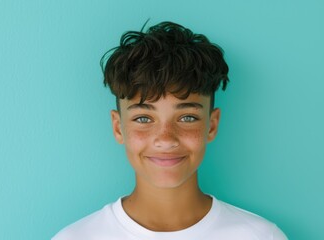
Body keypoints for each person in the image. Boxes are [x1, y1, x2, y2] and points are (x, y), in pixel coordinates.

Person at [52, 21, 287, 240]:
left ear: (212, 125)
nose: (165, 140)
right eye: (143, 118)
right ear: (118, 127)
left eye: (187, 117)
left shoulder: (260, 236)